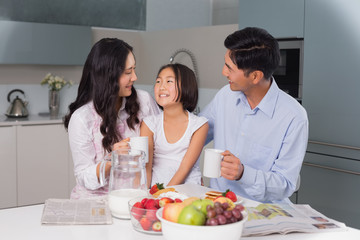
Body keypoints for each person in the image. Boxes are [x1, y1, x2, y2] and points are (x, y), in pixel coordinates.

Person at [199, 27, 308, 203]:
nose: (223, 72)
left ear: (255, 76)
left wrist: (243, 173)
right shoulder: (225, 96)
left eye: (229, 68)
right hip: (218, 203)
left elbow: (285, 184)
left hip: (262, 211)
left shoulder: (293, 117)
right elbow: (196, 133)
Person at [63, 38, 160, 199]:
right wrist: (111, 161)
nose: (135, 77)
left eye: (134, 70)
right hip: (95, 201)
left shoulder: (144, 101)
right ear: (108, 76)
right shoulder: (82, 118)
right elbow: (83, 177)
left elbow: (161, 144)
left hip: (137, 197)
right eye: (128, 72)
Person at [140, 63, 209, 187]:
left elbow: (184, 169)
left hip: (188, 189)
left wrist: (165, 194)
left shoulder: (199, 125)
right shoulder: (149, 124)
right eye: (158, 81)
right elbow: (146, 168)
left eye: (169, 81)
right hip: (156, 190)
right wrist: (146, 195)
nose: (162, 86)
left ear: (186, 87)